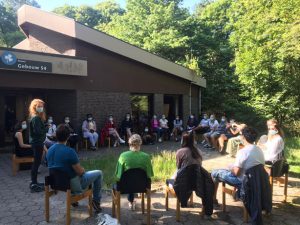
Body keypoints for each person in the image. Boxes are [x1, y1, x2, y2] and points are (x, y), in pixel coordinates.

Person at [46, 124, 103, 213]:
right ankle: (96, 201)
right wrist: (83, 170)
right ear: (68, 137)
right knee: (99, 173)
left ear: (56, 135)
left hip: (56, 184)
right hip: (72, 185)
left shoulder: (49, 150)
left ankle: (73, 199)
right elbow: (80, 172)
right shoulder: (70, 151)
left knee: (68, 172)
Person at [211, 127, 265, 205]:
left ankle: (213, 199)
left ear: (243, 137)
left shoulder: (243, 152)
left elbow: (236, 173)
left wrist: (230, 168)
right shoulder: (259, 150)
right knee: (224, 171)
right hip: (256, 180)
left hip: (243, 181)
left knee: (214, 173)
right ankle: (234, 195)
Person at [115, 134, 153, 210]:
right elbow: (149, 175)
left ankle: (130, 201)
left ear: (129, 143)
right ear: (140, 143)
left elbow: (118, 176)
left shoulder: (123, 156)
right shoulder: (146, 156)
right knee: (135, 179)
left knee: (129, 180)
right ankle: (132, 201)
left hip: (125, 186)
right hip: (142, 186)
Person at [28, 98, 47, 193]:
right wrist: (46, 129)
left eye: (42, 106)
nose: (41, 108)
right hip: (37, 143)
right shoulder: (35, 118)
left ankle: (34, 181)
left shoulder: (37, 117)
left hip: (38, 143)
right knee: (36, 163)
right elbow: (38, 132)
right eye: (39, 106)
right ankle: (33, 183)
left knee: (37, 163)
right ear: (34, 107)